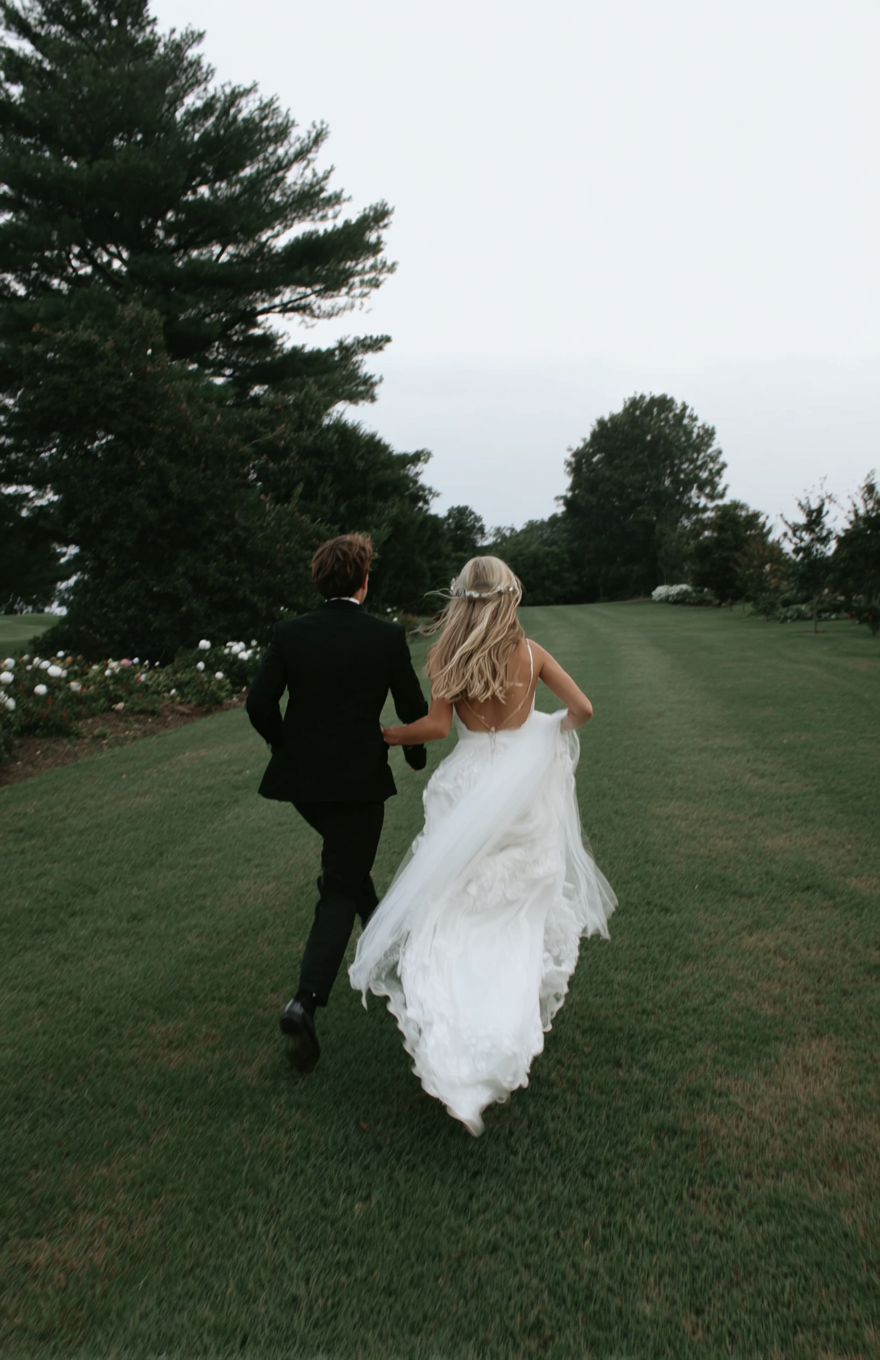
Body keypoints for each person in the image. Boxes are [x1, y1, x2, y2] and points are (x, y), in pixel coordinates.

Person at [349, 555, 617, 1136]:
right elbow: (583, 711)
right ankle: (502, 1015)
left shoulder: (446, 655)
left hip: (467, 786)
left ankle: (455, 1017)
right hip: (521, 793)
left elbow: (437, 728)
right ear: (509, 597)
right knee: (515, 911)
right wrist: (540, 735)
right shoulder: (531, 654)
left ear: (461, 599)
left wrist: (387, 734)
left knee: (455, 904)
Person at [246, 533, 429, 1073]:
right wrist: (414, 753)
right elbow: (412, 706)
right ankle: (304, 1003)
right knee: (341, 884)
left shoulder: (290, 632)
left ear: (319, 581)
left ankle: (392, 952)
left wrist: (285, 745)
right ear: (364, 582)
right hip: (360, 782)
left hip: (305, 786)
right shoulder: (386, 635)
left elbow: (258, 704)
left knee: (347, 868)